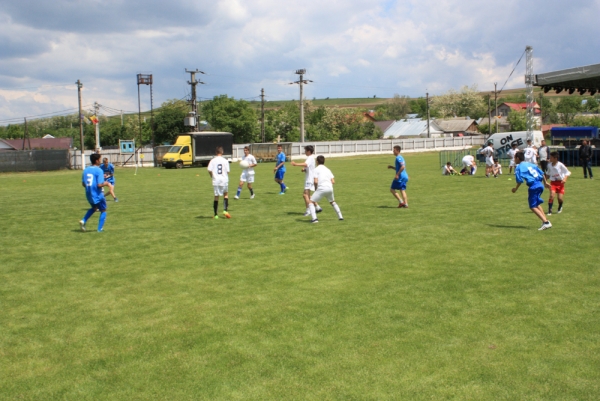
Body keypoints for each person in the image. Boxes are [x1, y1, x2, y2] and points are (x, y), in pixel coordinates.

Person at [512, 151, 552, 230]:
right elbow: (542, 173)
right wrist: (545, 182)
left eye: (514, 158)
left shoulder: (519, 167)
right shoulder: (531, 164)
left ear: (517, 158)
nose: (514, 159)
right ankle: (546, 221)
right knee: (536, 204)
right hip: (540, 184)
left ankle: (546, 223)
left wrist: (515, 189)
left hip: (533, 186)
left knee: (532, 206)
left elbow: (519, 180)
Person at [79, 153, 111, 232]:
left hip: (89, 194)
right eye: (99, 159)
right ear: (96, 160)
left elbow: (83, 184)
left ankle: (83, 221)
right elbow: (99, 184)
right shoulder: (99, 170)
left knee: (94, 208)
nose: (100, 161)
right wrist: (106, 183)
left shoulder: (86, 170)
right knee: (103, 210)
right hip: (97, 194)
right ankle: (100, 229)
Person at [307, 155, 343, 223]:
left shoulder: (316, 169)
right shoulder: (328, 169)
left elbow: (315, 181)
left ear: (317, 161)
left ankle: (314, 219)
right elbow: (333, 181)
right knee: (332, 202)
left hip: (321, 188)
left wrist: (316, 189)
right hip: (329, 188)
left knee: (310, 202)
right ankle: (340, 216)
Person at [291, 145, 322, 216]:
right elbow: (309, 167)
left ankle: (308, 210)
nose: (304, 152)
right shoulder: (311, 158)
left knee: (305, 195)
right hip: (310, 179)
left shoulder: (310, 158)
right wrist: (304, 169)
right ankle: (317, 207)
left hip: (309, 180)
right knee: (308, 195)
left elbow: (305, 164)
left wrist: (295, 164)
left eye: (305, 150)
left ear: (308, 151)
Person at [207, 147, 231, 219]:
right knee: (225, 194)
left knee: (216, 197)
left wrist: (212, 175)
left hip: (216, 180)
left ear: (216, 152)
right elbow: (228, 171)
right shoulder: (225, 160)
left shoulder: (213, 160)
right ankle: (225, 210)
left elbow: (209, 169)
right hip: (224, 180)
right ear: (222, 152)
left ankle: (216, 215)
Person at [545, 151, 571, 215]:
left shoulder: (560, 165)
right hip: (553, 183)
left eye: (551, 157)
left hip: (560, 183)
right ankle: (549, 210)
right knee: (551, 196)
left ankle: (560, 206)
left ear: (555, 158)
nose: (550, 158)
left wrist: (565, 179)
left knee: (560, 198)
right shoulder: (549, 165)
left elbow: (568, 172)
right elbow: (547, 174)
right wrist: (545, 182)